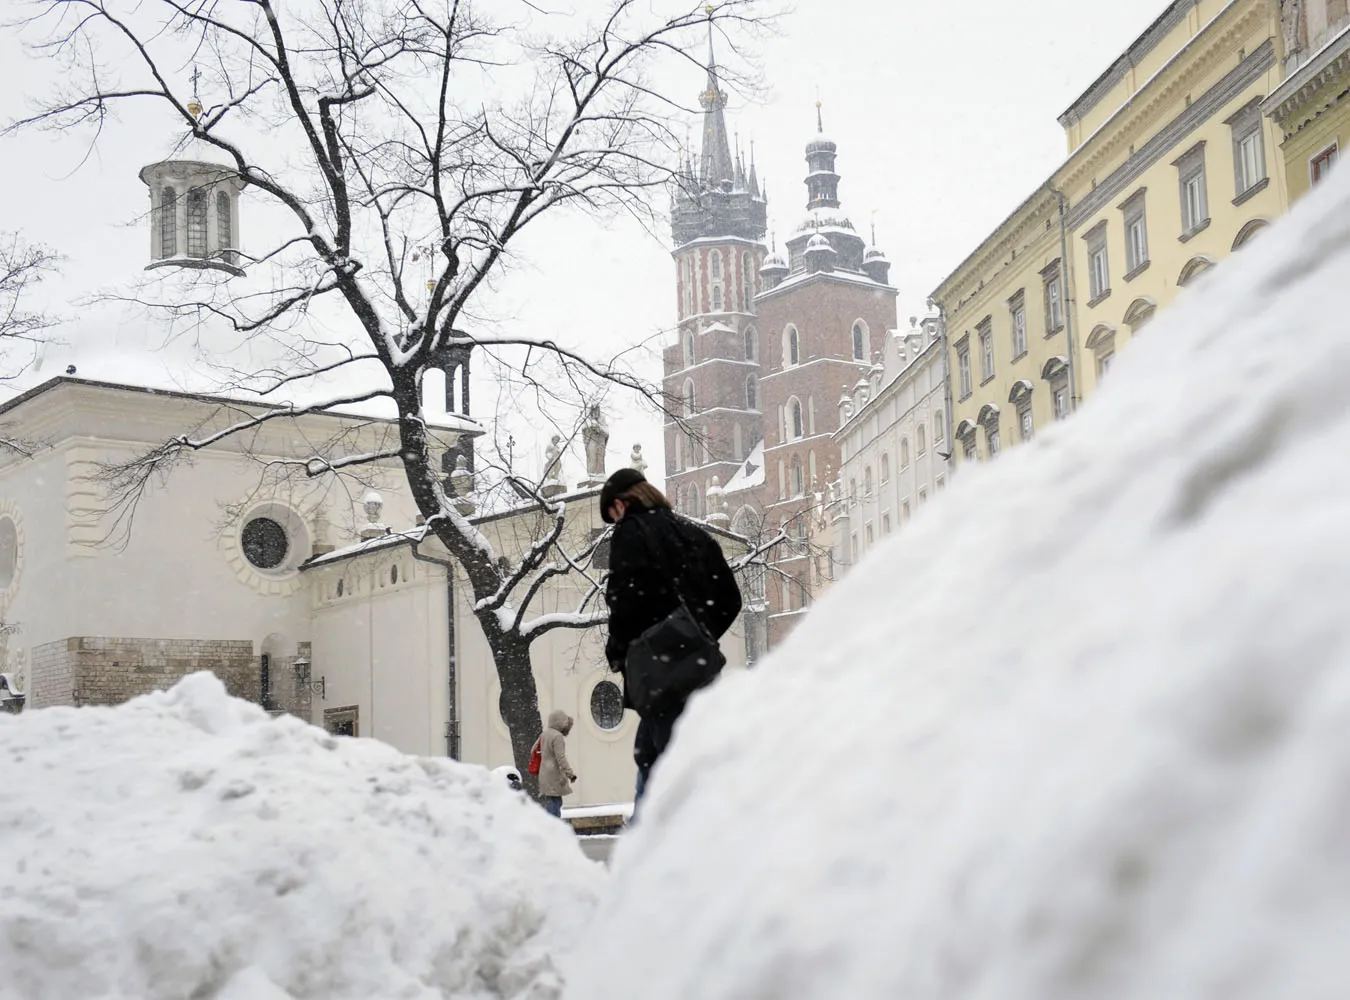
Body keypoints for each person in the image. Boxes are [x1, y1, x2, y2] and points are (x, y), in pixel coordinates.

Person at [600, 468, 743, 806]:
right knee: (668, 763)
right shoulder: (694, 534)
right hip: (700, 673)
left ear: (621, 505)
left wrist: (620, 652)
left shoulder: (631, 533)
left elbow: (624, 600)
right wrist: (697, 637)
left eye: (612, 515)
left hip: (659, 678)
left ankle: (660, 850)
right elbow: (729, 599)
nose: (615, 522)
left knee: (668, 780)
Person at [537, 709, 577, 818]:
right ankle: (554, 829)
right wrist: (570, 774)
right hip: (554, 775)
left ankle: (552, 828)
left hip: (544, 774)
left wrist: (545, 758)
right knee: (555, 805)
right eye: (565, 723)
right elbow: (561, 758)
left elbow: (534, 750)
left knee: (551, 802)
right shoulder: (557, 736)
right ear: (560, 723)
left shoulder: (544, 734)